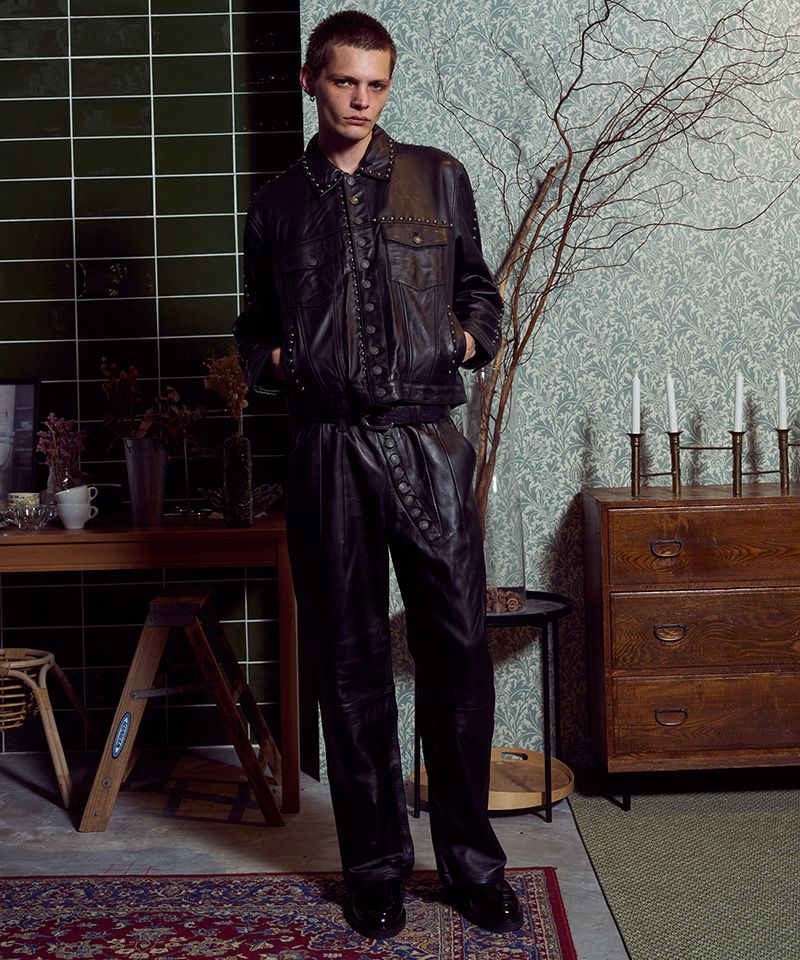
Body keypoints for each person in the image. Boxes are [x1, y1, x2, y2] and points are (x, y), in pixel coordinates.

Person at [233, 9, 521, 940]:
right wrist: (281, 361)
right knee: (350, 662)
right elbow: (252, 330)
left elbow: (480, 293)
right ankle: (375, 869)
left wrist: (461, 342)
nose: (361, 100)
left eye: (376, 84)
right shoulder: (277, 205)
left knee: (457, 654)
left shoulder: (438, 177)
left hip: (427, 442)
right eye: (344, 81)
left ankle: (473, 865)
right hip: (326, 450)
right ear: (310, 82)